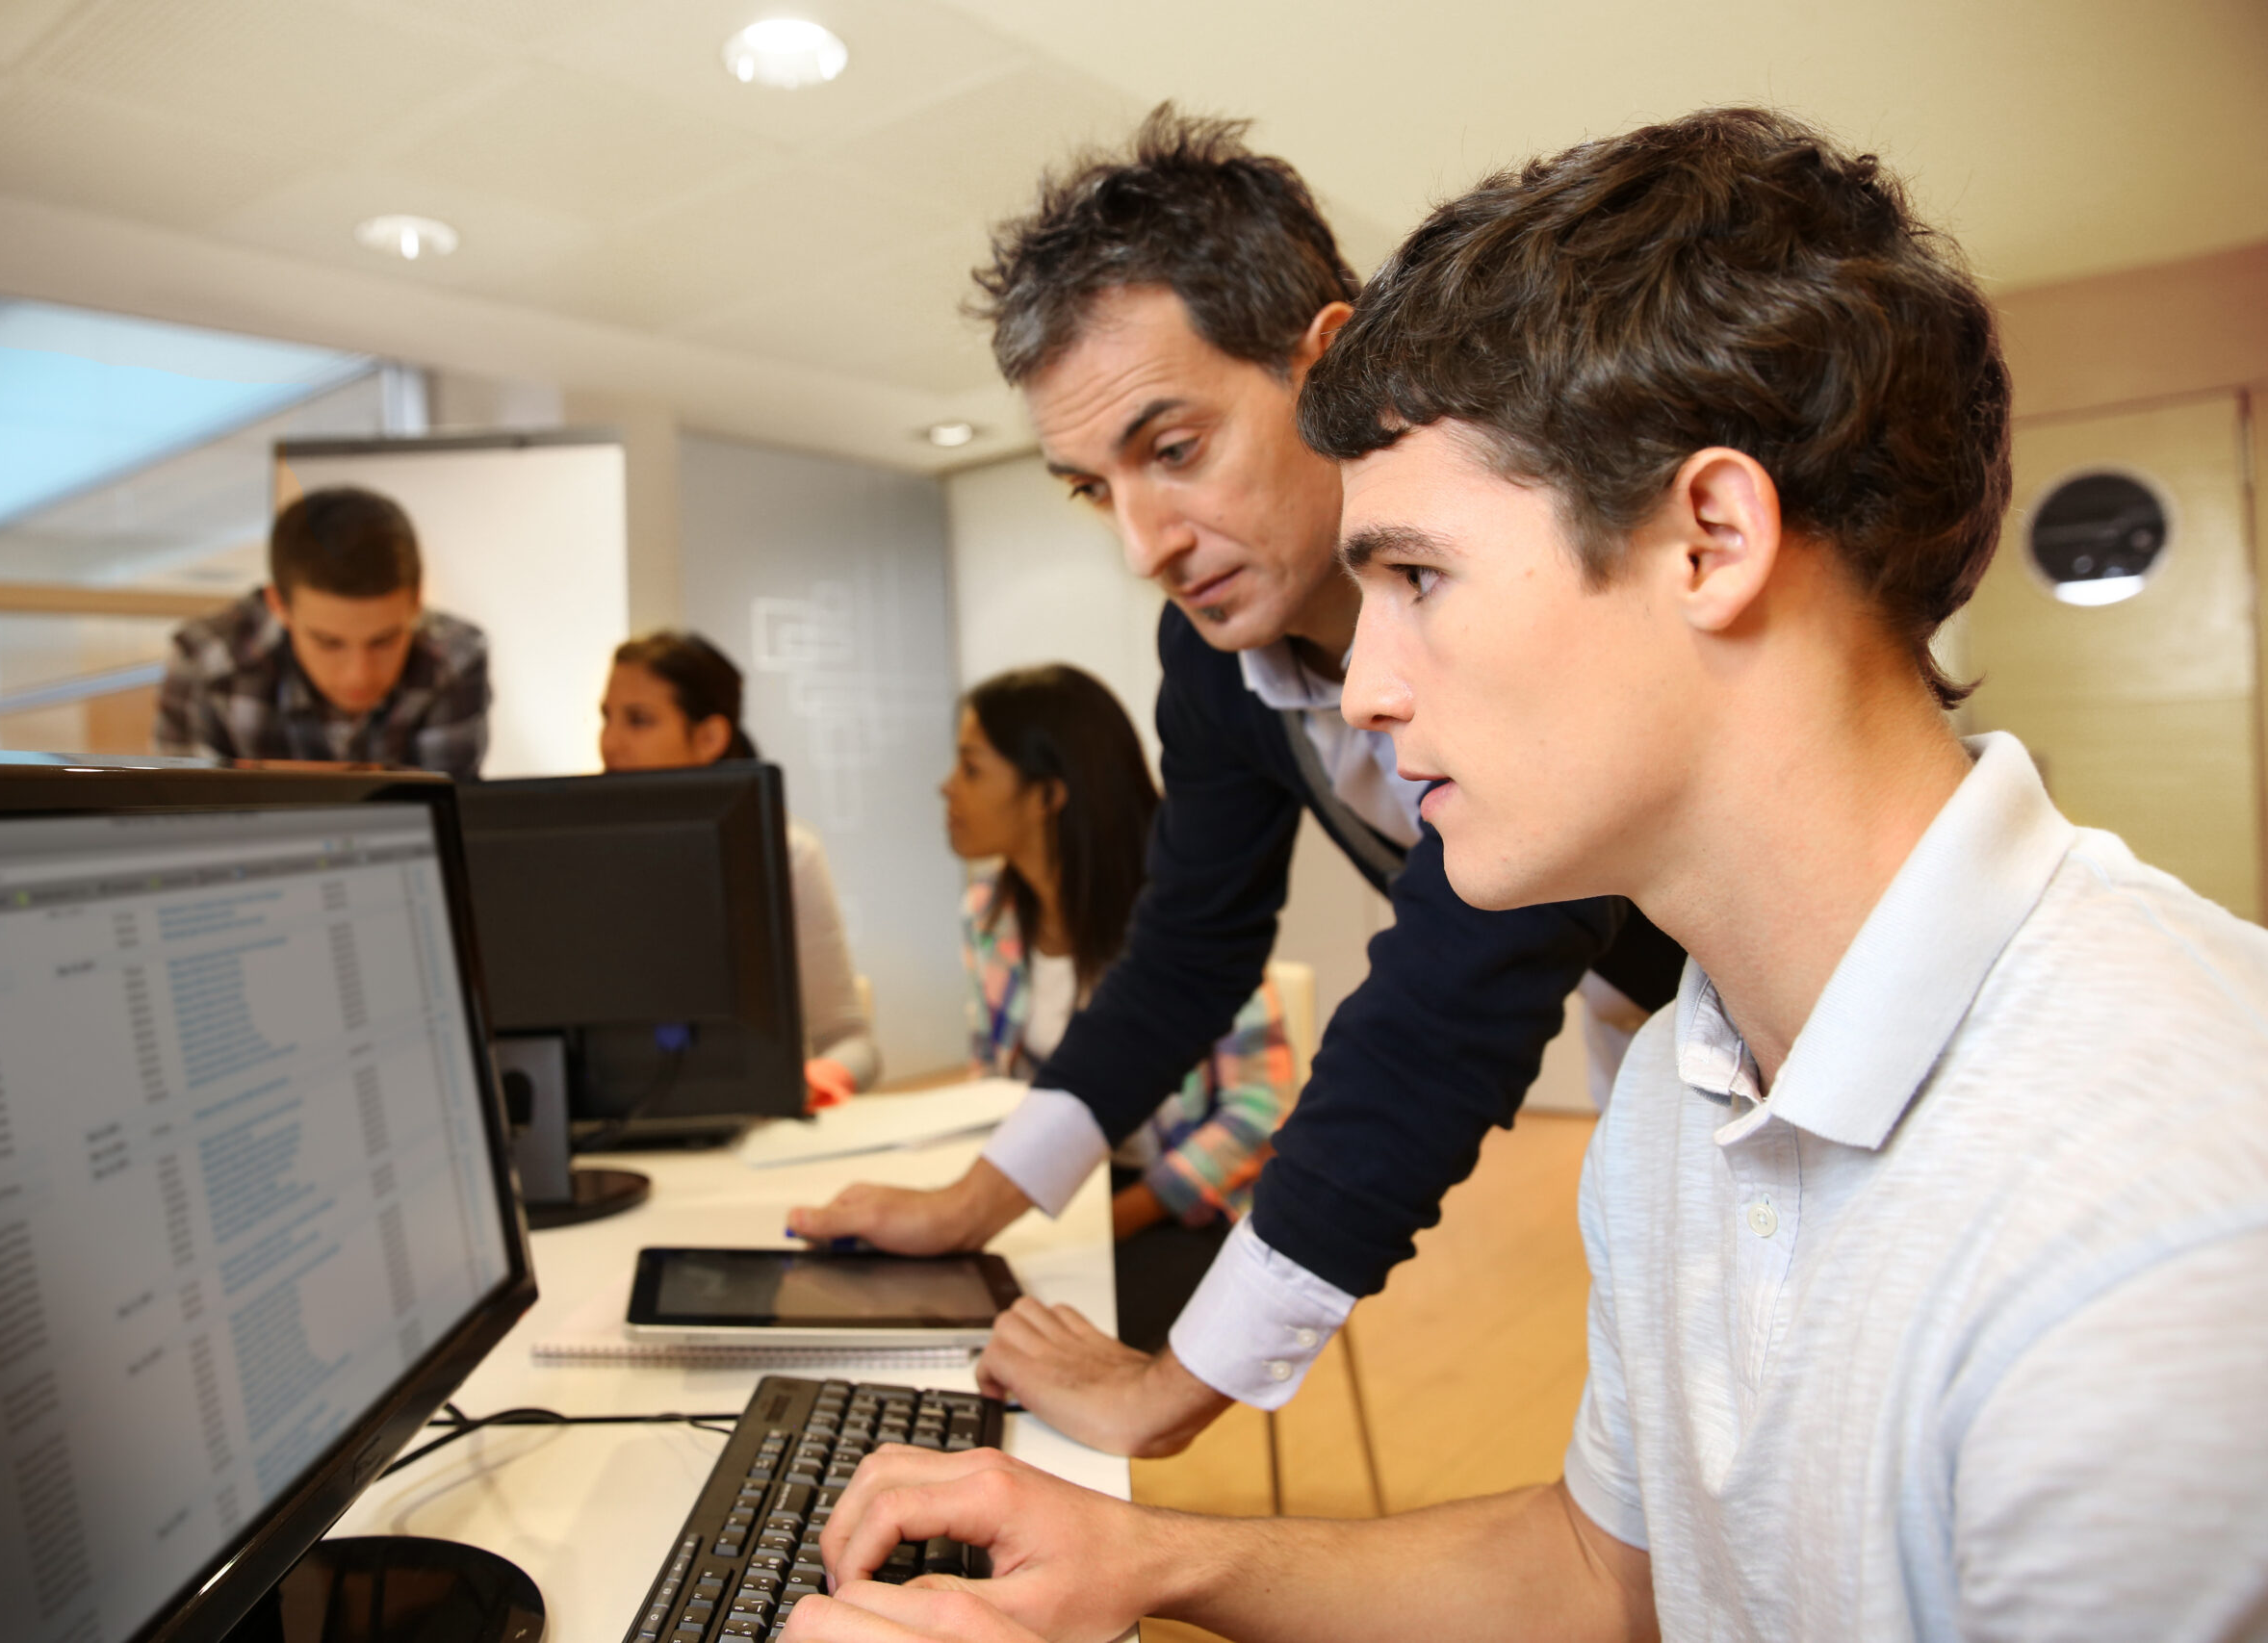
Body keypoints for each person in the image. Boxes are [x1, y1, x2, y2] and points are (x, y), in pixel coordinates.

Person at [784, 109, 2268, 1643]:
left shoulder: (2163, 1242)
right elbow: (1615, 1572)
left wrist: (1181, 1385)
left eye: (1417, 576)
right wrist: (1155, 1561)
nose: (1356, 690)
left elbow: (1435, 1014)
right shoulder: (1675, 1104)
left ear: (1709, 536)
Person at [788, 108, 1685, 1457]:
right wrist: (978, 1198)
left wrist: (1178, 1378)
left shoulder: (1507, 555)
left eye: (1175, 447)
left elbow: (1449, 998)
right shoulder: (1212, 651)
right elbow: (1191, 946)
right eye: (1094, 487)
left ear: (1328, 367)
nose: (1145, 542)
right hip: (1658, 1023)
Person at [945, 664, 1294, 1353]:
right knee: (951, 1308)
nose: (947, 788)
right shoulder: (988, 915)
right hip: (1062, 1183)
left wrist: (1116, 1216)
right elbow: (993, 1082)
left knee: (1043, 1343)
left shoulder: (1184, 924)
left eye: (971, 768)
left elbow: (1256, 1117)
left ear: (1048, 793)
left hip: (1183, 1209)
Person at [601, 629, 881, 1100]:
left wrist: (816, 1080)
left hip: (752, 1139)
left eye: (639, 721)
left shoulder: (786, 854)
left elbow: (853, 1042)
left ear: (709, 737)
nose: (610, 743)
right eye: (606, 718)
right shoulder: (587, 858)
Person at [154, 486, 489, 778]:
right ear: (278, 605)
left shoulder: (455, 656)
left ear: (417, 601)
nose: (359, 675)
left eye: (384, 641)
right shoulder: (203, 663)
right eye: (328, 643)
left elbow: (450, 820)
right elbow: (177, 823)